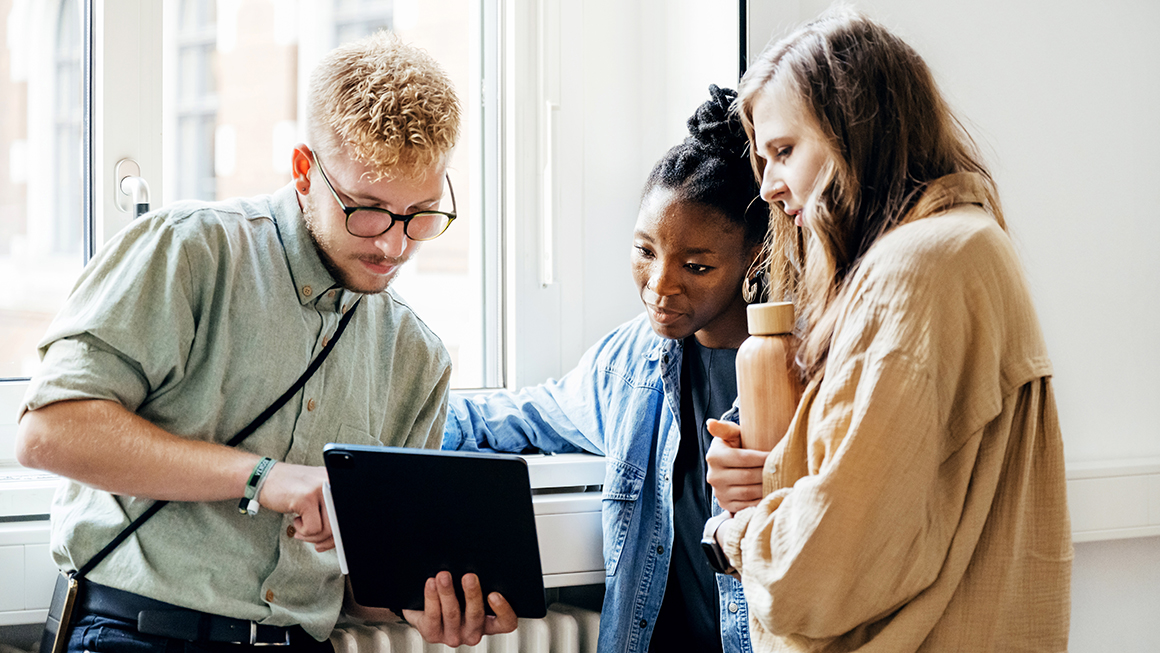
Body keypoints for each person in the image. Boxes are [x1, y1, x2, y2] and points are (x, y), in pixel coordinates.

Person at [15, 32, 514, 652]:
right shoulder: (189, 251)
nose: (393, 244)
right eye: (367, 209)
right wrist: (264, 478)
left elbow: (362, 583)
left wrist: (423, 606)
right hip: (134, 632)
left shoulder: (418, 358)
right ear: (305, 170)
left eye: (421, 213)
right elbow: (48, 433)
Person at [701, 9, 1072, 652]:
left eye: (785, 151)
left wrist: (734, 534)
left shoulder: (915, 268)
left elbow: (822, 566)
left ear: (857, 132)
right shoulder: (967, 247)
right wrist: (777, 472)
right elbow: (905, 497)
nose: (767, 186)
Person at [442, 85, 767, 653]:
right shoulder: (630, 363)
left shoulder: (803, 372)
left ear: (754, 257)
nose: (659, 286)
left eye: (696, 265)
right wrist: (366, 419)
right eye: (645, 251)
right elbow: (509, 419)